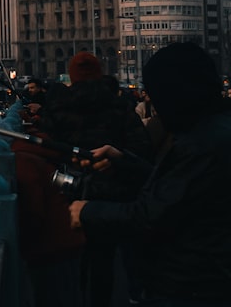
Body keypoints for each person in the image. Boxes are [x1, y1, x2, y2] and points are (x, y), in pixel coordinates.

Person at [69, 42, 231, 306]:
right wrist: (125, 162)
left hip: (194, 287)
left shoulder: (202, 144)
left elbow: (151, 216)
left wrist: (87, 211)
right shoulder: (212, 130)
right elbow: (179, 190)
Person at [40, 51, 151, 307]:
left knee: (75, 261)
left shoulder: (60, 105)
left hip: (73, 193)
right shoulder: (117, 104)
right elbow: (140, 146)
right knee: (106, 259)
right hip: (113, 192)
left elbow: (48, 146)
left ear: (73, 76)